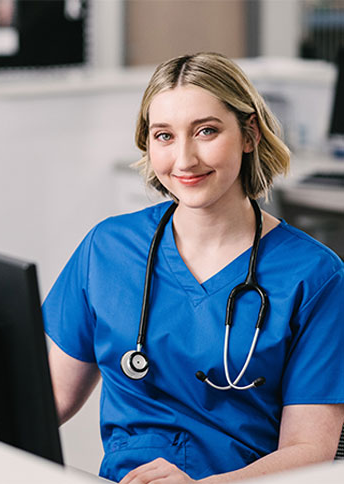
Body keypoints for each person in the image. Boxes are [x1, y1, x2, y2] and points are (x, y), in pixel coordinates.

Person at [42, 52, 344, 483]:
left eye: (206, 131)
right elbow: (51, 397)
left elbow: (310, 450)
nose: (184, 159)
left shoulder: (315, 277)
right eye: (164, 136)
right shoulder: (108, 248)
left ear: (249, 134)